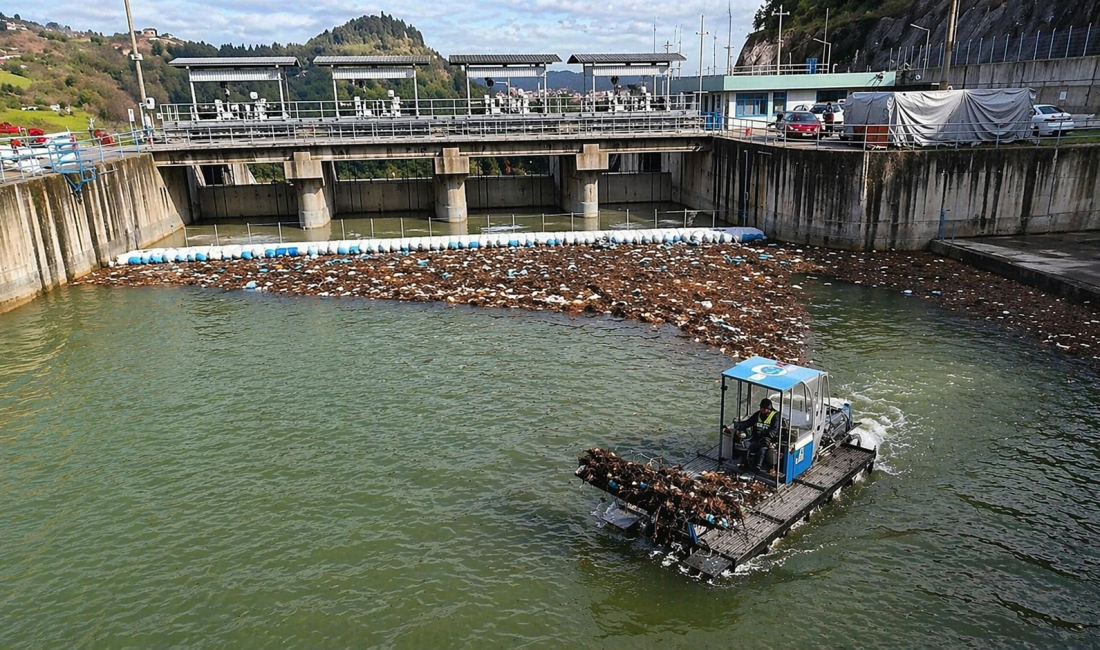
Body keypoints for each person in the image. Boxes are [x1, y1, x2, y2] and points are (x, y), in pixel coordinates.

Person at [724, 398, 780, 473]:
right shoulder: (758, 414)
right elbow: (747, 423)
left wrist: (764, 434)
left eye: (764, 408)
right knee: (745, 445)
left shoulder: (775, 416)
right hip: (756, 438)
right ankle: (744, 464)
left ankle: (758, 467)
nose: (762, 410)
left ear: (769, 409)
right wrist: (734, 426)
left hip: (769, 440)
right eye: (761, 408)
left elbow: (774, 431)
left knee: (762, 449)